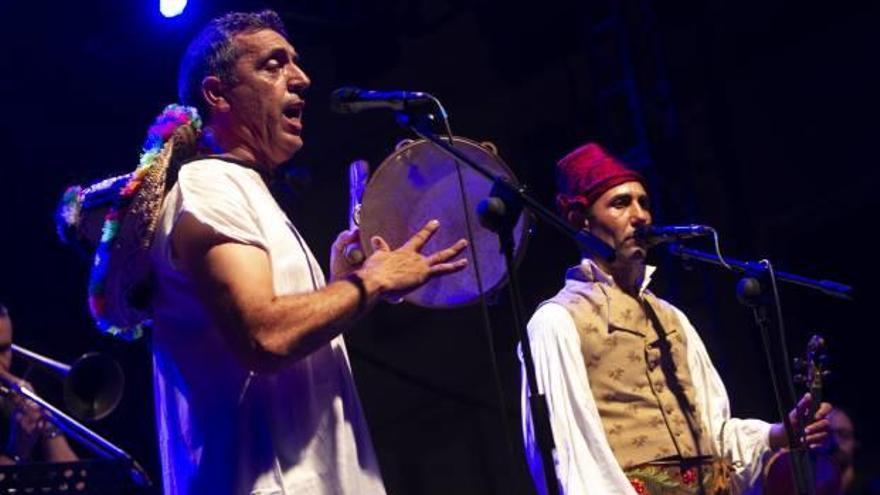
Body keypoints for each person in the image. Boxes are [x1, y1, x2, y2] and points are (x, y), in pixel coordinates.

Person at [145, 10, 469, 495]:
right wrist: (371, 281)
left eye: (295, 63)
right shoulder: (209, 186)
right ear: (217, 94)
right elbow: (265, 336)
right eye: (273, 65)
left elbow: (281, 334)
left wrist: (341, 281)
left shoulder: (244, 190)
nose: (302, 79)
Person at [520, 142, 831, 495]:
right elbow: (570, 454)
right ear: (580, 220)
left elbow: (714, 431)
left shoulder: (673, 319)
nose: (641, 216)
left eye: (644, 202)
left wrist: (779, 433)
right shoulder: (557, 322)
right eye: (621, 203)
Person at [0, 304, 78, 465]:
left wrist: (47, 424)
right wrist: (17, 451)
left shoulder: (8, 403)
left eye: (4, 350)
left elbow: (79, 486)